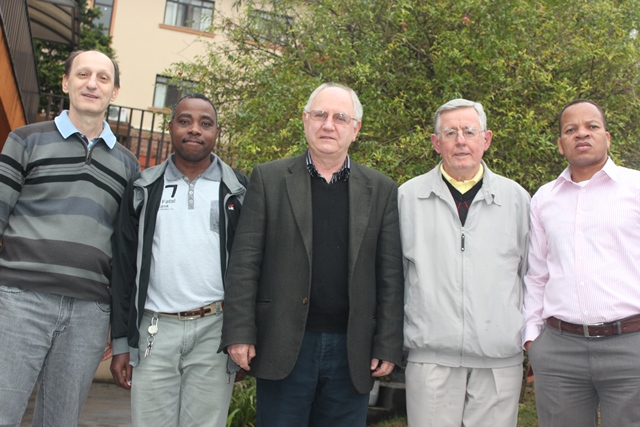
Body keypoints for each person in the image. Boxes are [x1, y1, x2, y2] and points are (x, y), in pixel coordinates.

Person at [220, 82, 404, 426]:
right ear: (305, 120)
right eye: (320, 114)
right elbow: (245, 263)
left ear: (356, 128)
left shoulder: (380, 189)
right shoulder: (270, 178)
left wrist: (388, 343)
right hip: (284, 343)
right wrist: (240, 331)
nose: (328, 124)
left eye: (340, 117)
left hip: (353, 350)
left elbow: (390, 275)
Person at [0, 50, 139, 427]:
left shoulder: (129, 166)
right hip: (19, 302)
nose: (92, 83)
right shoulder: (25, 140)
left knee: (60, 421)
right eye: (83, 74)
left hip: (89, 314)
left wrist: (117, 322)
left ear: (115, 91)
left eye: (103, 78)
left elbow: (126, 250)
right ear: (66, 83)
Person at [109, 93, 248, 426]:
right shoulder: (143, 187)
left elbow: (252, 269)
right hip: (155, 332)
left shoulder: (239, 190)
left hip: (216, 333)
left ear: (217, 132)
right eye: (185, 121)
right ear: (170, 127)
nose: (194, 130)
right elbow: (124, 267)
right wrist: (120, 342)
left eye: (205, 123)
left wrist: (244, 337)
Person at [398, 99, 530, 427]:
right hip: (431, 358)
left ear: (486, 139)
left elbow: (530, 274)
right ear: (435, 142)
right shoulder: (407, 198)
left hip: (499, 359)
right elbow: (395, 277)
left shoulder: (517, 200)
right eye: (451, 132)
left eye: (469, 132)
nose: (460, 141)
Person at [522, 99, 640, 427]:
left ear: (608, 137)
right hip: (560, 352)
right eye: (571, 130)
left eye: (591, 126)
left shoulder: (636, 189)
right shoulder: (544, 199)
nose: (581, 134)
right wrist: (533, 340)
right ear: (561, 145)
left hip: (632, 346)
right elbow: (537, 274)